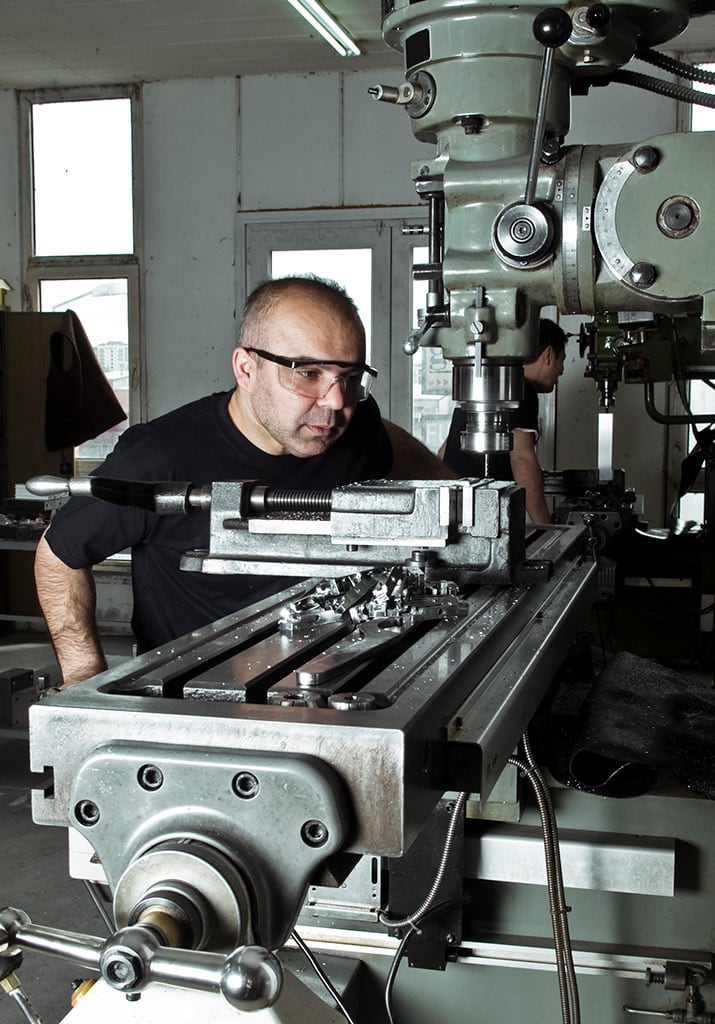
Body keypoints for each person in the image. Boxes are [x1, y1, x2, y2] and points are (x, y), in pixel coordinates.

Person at [35, 276, 454, 688]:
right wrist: (83, 676)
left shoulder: (355, 426)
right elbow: (59, 553)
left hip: (329, 688)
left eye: (349, 376)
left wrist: (456, 489)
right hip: (194, 703)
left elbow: (386, 439)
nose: (336, 401)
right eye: (307, 373)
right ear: (246, 369)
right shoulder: (159, 459)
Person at [440, 318, 567, 524]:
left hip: (454, 512)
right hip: (484, 515)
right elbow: (522, 459)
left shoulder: (480, 388)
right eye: (562, 360)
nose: (561, 370)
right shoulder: (522, 391)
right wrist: (545, 527)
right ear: (548, 355)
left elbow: (444, 452)